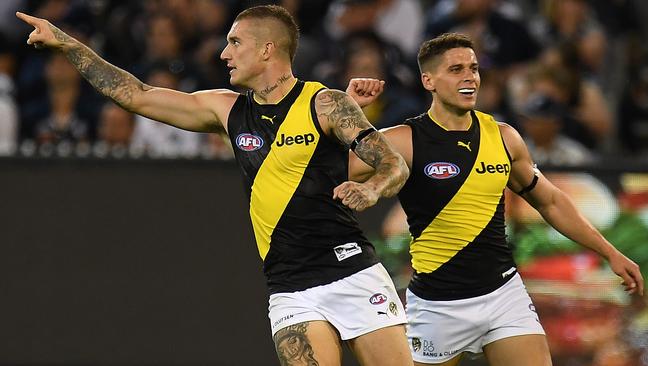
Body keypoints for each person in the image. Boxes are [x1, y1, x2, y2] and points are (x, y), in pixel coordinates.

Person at [17, 5, 414, 365]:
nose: (223, 54)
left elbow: (392, 163)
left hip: (352, 272)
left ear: (267, 50)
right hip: (291, 290)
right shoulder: (226, 109)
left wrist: (373, 189)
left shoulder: (324, 103)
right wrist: (67, 44)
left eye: (235, 42)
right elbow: (135, 95)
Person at [349, 32, 645, 366]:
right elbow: (329, 168)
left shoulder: (504, 137)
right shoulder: (403, 140)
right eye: (456, 69)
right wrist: (349, 118)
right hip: (438, 304)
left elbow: (550, 201)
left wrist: (609, 252)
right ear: (428, 80)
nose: (469, 77)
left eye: (473, 68)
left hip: (504, 295)